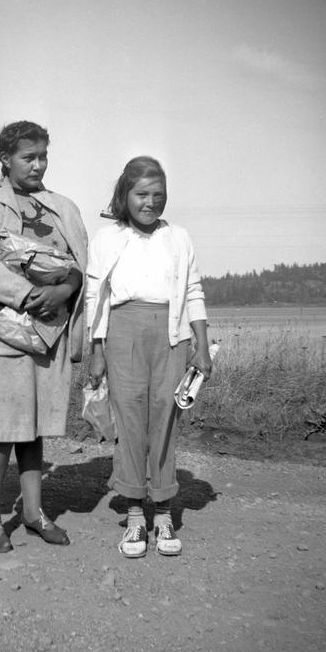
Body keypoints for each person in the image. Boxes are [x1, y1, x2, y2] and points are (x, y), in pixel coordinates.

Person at [0, 121, 88, 552]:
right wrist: (31, 293)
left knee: (33, 427)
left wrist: (65, 289)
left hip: (48, 332)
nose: (37, 165)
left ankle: (33, 513)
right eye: (27, 157)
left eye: (43, 156)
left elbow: (79, 265)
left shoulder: (63, 207)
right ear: (5, 159)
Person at [86, 156, 211, 559]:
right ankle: (136, 517)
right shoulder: (106, 238)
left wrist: (202, 345)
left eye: (158, 195)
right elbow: (96, 298)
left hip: (170, 336)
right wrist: (97, 350)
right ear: (125, 195)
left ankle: (164, 514)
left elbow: (193, 291)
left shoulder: (179, 237)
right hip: (123, 331)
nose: (150, 202)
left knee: (166, 420)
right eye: (141, 194)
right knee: (131, 421)